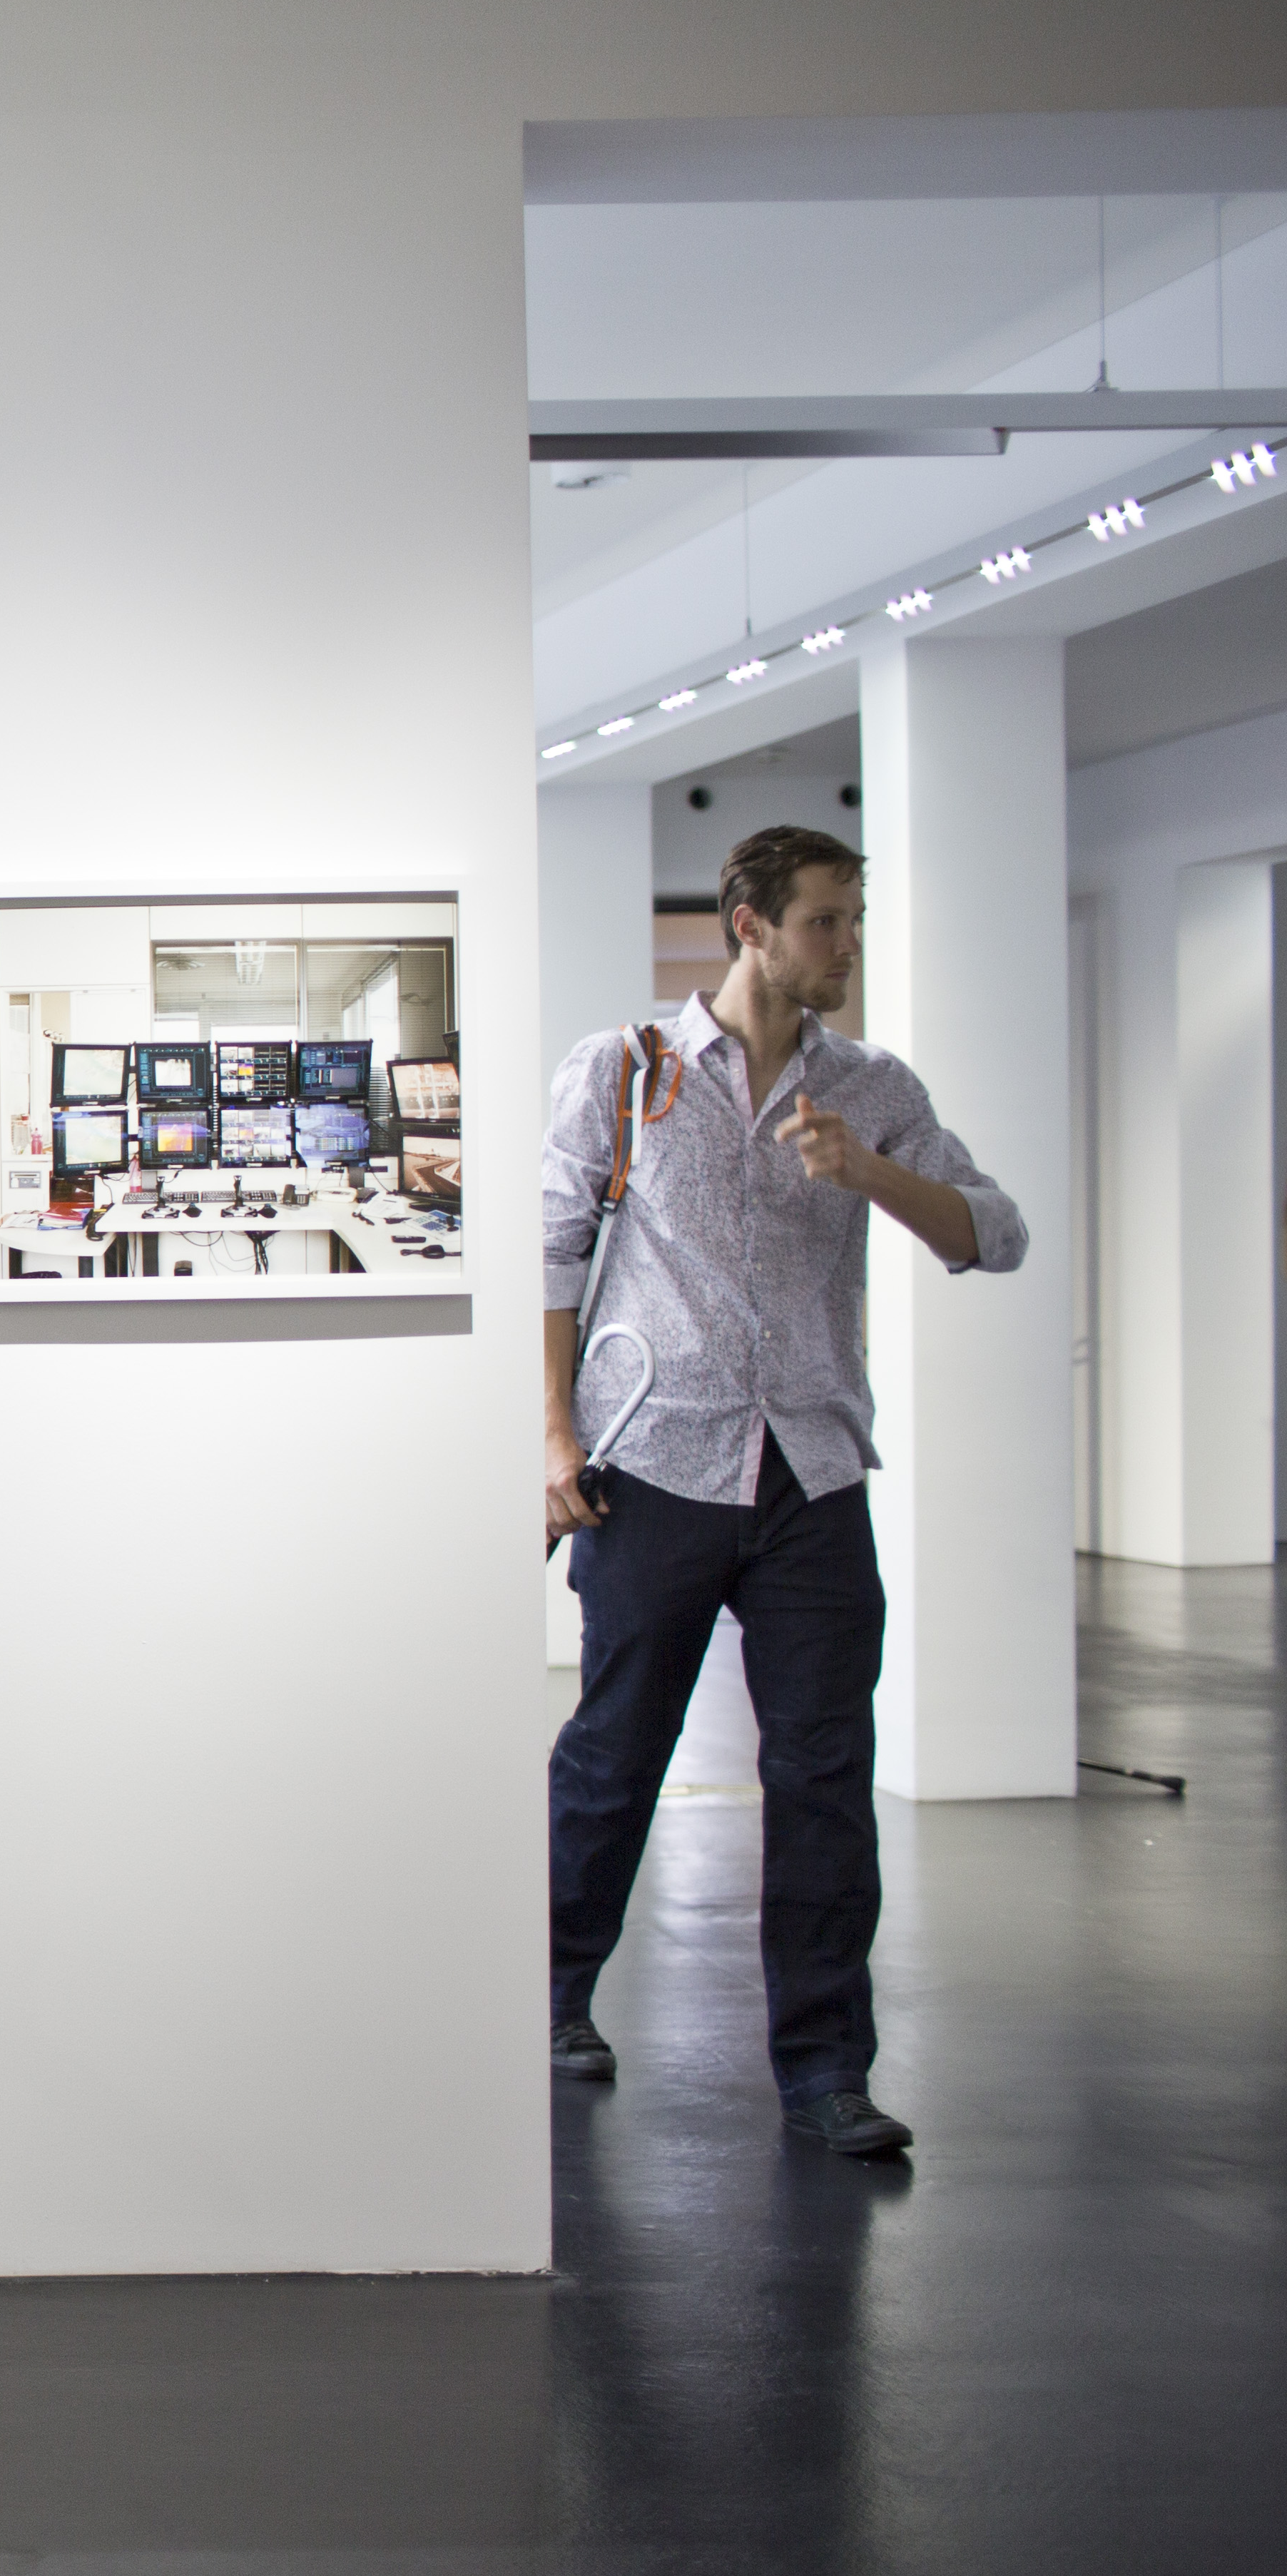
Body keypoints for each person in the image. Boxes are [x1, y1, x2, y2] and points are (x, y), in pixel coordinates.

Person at [541, 825, 1028, 2157]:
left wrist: (869, 1172)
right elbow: (552, 1256)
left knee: (824, 1776)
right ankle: (552, 1994)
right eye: (826, 921)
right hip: (657, 1465)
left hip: (813, 1472)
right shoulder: (625, 1070)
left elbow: (997, 1234)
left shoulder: (874, 1089)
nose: (847, 945)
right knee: (617, 1750)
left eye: (853, 920)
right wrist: (553, 1441)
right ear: (749, 926)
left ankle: (826, 2073)